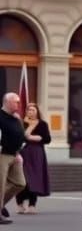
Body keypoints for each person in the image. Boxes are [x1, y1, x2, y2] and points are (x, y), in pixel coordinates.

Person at [14, 103, 49, 214]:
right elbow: (21, 137)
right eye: (29, 110)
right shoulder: (22, 123)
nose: (31, 112)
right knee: (22, 178)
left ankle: (32, 204)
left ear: (37, 111)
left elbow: (47, 139)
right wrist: (29, 129)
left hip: (37, 153)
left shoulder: (42, 124)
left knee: (35, 179)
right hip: (24, 152)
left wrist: (36, 138)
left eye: (33, 110)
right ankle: (20, 203)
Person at [0, 93, 26, 225]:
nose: (19, 104)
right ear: (7, 102)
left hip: (14, 154)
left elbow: (21, 135)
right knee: (0, 185)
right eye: (16, 102)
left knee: (19, 183)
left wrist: (18, 152)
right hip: (2, 155)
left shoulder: (16, 118)